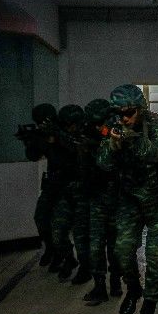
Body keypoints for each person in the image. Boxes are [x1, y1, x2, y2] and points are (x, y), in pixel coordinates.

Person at [96, 84, 158, 314]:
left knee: (156, 256)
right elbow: (103, 164)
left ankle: (149, 304)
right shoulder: (115, 126)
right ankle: (133, 288)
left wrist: (134, 140)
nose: (124, 119)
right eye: (119, 114)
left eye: (129, 113)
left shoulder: (157, 123)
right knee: (122, 250)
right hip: (129, 199)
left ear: (140, 108)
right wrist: (112, 146)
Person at [18, 103, 77, 272]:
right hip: (52, 185)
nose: (40, 125)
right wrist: (30, 142)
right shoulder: (42, 135)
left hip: (67, 186)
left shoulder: (64, 132)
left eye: (43, 122)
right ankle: (52, 250)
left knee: (58, 226)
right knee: (40, 218)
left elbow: (73, 149)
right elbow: (33, 156)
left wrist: (56, 137)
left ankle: (68, 257)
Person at [82, 99, 122, 305]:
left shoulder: (116, 132)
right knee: (96, 245)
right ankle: (100, 286)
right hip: (97, 197)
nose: (98, 127)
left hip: (115, 197)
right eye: (95, 124)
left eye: (101, 123)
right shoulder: (88, 135)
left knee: (115, 245)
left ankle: (115, 283)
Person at [51, 104, 93, 284]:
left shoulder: (86, 136)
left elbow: (76, 146)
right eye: (66, 125)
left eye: (72, 124)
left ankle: (85, 268)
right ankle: (69, 258)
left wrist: (59, 135)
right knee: (57, 231)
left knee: (80, 235)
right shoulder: (60, 137)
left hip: (83, 193)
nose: (69, 128)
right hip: (64, 191)